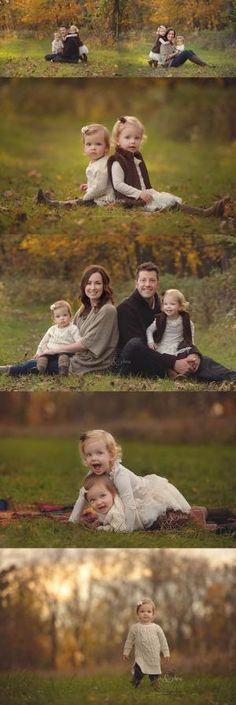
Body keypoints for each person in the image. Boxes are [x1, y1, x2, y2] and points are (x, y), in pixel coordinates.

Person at [117, 261, 236, 383]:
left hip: (162, 355)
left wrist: (193, 353)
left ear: (158, 283)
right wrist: (174, 362)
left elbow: (181, 334)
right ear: (136, 283)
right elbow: (139, 348)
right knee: (135, 344)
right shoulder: (125, 309)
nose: (147, 284)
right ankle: (174, 371)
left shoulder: (163, 305)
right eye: (143, 280)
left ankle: (231, 377)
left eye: (152, 280)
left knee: (197, 361)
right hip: (132, 361)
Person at [0, 266, 118, 377]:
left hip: (91, 363)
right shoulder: (85, 308)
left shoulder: (108, 310)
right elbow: (68, 330)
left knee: (33, 365)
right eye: (89, 283)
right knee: (40, 360)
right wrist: (47, 348)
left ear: (104, 286)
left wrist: (54, 350)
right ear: (83, 286)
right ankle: (14, 368)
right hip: (75, 356)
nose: (92, 287)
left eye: (97, 283)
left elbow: (85, 344)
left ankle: (6, 370)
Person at [68, 429, 191, 530]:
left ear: (111, 454)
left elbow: (130, 505)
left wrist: (128, 528)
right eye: (89, 455)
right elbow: (83, 495)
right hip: (132, 501)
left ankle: (199, 514)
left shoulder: (120, 475)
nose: (93, 458)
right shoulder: (93, 473)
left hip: (146, 497)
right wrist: (72, 521)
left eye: (99, 453)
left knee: (169, 518)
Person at [107, 116, 228, 216]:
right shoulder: (118, 161)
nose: (133, 141)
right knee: (170, 205)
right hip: (130, 200)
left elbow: (142, 182)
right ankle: (205, 213)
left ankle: (205, 212)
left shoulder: (135, 158)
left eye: (136, 138)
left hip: (141, 195)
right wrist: (139, 194)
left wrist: (151, 192)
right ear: (117, 140)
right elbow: (118, 185)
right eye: (127, 137)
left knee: (167, 201)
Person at [37, 123, 114, 208]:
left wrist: (86, 197)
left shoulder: (102, 165)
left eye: (98, 144)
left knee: (78, 202)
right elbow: (101, 181)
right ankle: (52, 202)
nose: (93, 147)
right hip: (99, 196)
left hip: (104, 200)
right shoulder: (97, 162)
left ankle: (53, 204)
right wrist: (89, 186)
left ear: (106, 148)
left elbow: (100, 188)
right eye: (89, 144)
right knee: (78, 201)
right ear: (84, 147)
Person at [123, 599, 170, 689]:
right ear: (137, 614)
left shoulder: (157, 628)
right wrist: (126, 652)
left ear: (153, 615)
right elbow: (129, 641)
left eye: (149, 611)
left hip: (153, 656)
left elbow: (163, 641)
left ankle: (154, 683)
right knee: (138, 670)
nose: (145, 613)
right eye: (142, 611)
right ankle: (136, 682)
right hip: (140, 656)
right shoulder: (135, 628)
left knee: (154, 672)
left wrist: (166, 653)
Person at [146, 289, 194, 355]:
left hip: (178, 347)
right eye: (165, 304)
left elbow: (190, 334)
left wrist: (191, 345)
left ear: (180, 306)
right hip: (162, 346)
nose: (168, 306)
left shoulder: (184, 320)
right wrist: (150, 341)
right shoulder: (160, 319)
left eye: (172, 304)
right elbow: (149, 330)